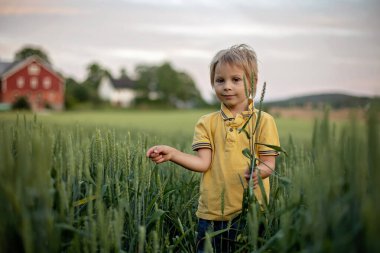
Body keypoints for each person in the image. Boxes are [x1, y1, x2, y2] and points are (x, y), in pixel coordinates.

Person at [146, 44, 280, 252]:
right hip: (212, 214)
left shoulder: (264, 121)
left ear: (252, 82)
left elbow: (269, 163)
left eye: (235, 79)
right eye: (220, 80)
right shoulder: (206, 122)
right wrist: (173, 153)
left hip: (251, 212)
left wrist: (259, 172)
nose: (227, 86)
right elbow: (203, 163)